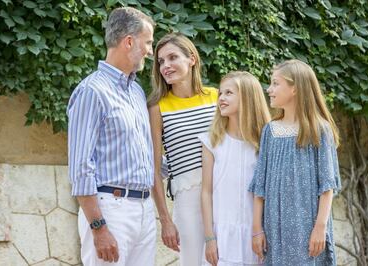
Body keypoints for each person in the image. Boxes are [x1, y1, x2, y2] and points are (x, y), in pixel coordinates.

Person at [67, 7, 156, 266]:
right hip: (111, 209)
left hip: (143, 209)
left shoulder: (137, 92)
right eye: (148, 42)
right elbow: (81, 166)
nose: (150, 51)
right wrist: (99, 227)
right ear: (129, 41)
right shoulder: (91, 91)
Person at [249, 59, 341, 265]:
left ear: (295, 89)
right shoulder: (270, 131)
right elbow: (260, 186)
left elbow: (327, 186)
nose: (269, 89)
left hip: (307, 226)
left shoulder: (319, 129)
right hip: (274, 228)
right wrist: (257, 230)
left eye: (275, 83)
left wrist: (320, 227)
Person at [147, 33, 218, 266]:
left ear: (192, 59)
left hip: (223, 192)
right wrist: (165, 220)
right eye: (161, 61)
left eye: (172, 57)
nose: (165, 66)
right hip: (187, 200)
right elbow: (154, 169)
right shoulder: (158, 107)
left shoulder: (217, 97)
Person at [199, 71, 270, 266]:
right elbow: (206, 192)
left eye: (229, 93)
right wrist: (209, 238)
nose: (221, 98)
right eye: (220, 93)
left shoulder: (263, 144)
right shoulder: (212, 142)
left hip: (255, 235)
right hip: (221, 237)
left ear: (247, 97)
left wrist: (260, 231)